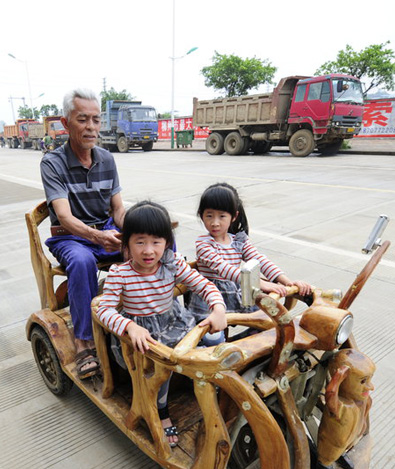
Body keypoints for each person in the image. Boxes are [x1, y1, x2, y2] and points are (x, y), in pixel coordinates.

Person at [96, 201, 227, 447]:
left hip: (174, 322)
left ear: (167, 242)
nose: (148, 250)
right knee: (159, 368)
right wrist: (130, 327)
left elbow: (205, 285)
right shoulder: (120, 273)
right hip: (144, 333)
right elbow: (104, 309)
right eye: (140, 241)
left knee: (215, 340)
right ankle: (161, 409)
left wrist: (218, 308)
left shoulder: (172, 263)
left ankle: (204, 383)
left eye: (156, 242)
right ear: (127, 243)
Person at [40, 88, 125, 379]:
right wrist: (99, 237)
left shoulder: (107, 159)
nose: (91, 127)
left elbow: (118, 211)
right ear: (66, 124)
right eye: (82, 119)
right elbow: (63, 216)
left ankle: (154, 308)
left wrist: (141, 228)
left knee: (155, 243)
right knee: (82, 261)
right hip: (70, 236)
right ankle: (84, 342)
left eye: (96, 120)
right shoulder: (52, 163)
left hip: (105, 229)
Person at [188, 182, 312, 331]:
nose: (215, 223)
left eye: (222, 216)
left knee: (268, 322)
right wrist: (260, 283)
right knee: (211, 338)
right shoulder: (203, 244)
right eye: (209, 215)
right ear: (201, 215)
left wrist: (287, 283)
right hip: (210, 299)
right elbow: (224, 269)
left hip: (237, 294)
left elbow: (260, 261)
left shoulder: (239, 241)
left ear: (234, 216)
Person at [316, 349, 375, 469]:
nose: (370, 386)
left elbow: (364, 415)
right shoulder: (341, 405)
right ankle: (324, 466)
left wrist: (363, 427)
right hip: (334, 442)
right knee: (329, 454)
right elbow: (330, 394)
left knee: (344, 447)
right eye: (363, 381)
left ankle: (342, 454)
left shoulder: (362, 401)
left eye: (369, 379)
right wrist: (337, 378)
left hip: (349, 438)